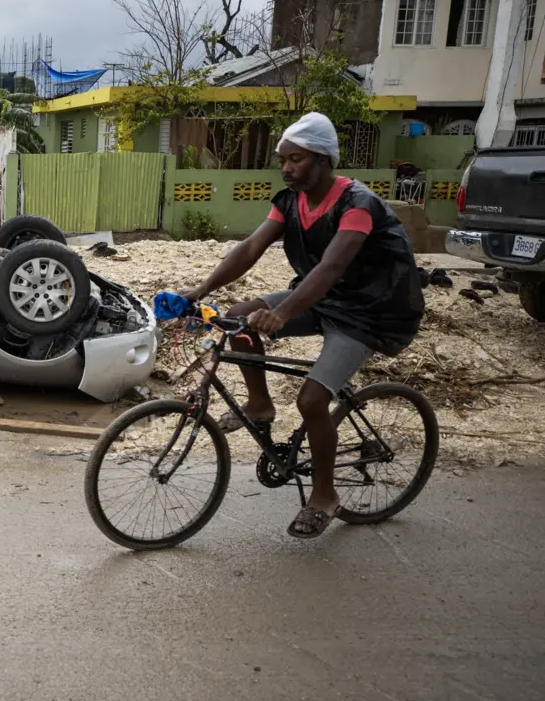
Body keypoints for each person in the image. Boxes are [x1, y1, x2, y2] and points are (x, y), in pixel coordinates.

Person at [176, 112, 424, 539]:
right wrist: (199, 292)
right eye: (284, 160)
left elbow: (331, 267)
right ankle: (259, 405)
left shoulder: (358, 204)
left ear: (324, 160)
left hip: (368, 312)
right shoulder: (289, 201)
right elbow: (251, 246)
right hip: (323, 298)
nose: (288, 168)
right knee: (239, 317)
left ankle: (324, 495)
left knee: (311, 402)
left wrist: (284, 312)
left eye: (297, 159)